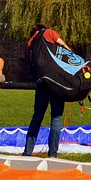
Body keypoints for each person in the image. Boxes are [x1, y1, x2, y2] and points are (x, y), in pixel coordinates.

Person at [22, 26, 67, 158]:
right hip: (56, 81)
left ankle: (27, 152)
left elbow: (29, 66)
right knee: (56, 117)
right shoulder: (49, 33)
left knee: (37, 117)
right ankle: (53, 154)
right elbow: (63, 46)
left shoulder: (29, 44)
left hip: (41, 83)